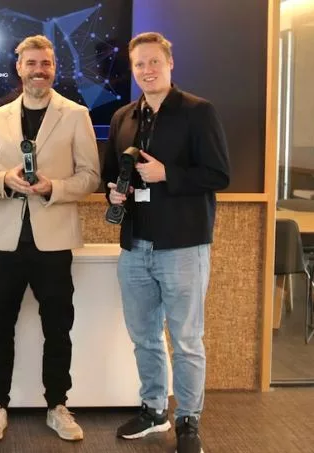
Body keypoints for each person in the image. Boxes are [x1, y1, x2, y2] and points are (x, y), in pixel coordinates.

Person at [102, 32, 230, 453]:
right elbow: (110, 175)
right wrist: (113, 193)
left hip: (183, 246)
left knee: (187, 341)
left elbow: (219, 175)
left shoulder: (198, 112)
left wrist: (167, 174)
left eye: (154, 61)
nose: (147, 70)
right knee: (145, 337)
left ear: (170, 64)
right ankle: (154, 410)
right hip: (134, 245)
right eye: (139, 64)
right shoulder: (123, 117)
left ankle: (189, 420)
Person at [0, 35, 100, 442]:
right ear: (19, 68)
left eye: (45, 64)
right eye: (31, 63)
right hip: (4, 243)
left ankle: (57, 405)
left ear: (54, 68)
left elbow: (91, 176)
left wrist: (53, 188)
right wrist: (5, 180)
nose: (38, 70)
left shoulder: (76, 115)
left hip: (54, 243)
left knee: (58, 329)